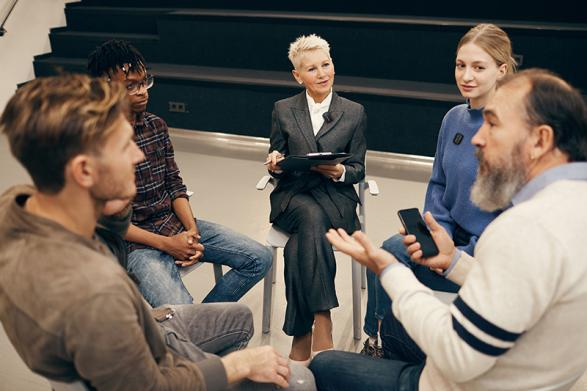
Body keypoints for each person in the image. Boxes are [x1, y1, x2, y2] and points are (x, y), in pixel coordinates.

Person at [0, 74, 316, 390]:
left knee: (238, 316)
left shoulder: (16, 205)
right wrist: (235, 366)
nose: (137, 156)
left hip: (144, 328)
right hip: (149, 362)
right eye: (124, 147)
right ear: (84, 171)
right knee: (300, 381)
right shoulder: (96, 295)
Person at [312, 68, 587, 390]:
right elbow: (522, 288)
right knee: (398, 324)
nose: (477, 138)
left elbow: (458, 357)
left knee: (324, 366)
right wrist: (453, 261)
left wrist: (389, 270)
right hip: (539, 372)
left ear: (540, 140)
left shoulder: (523, 228)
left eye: (493, 123)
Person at [362, 23, 517, 357]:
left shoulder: (512, 131)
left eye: (479, 67)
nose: (467, 75)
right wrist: (435, 236)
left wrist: (459, 255)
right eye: (461, 65)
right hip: (447, 237)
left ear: (501, 70)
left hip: (480, 255)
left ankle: (397, 345)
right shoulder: (453, 118)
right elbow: (439, 184)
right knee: (387, 251)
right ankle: (376, 339)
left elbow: (511, 217)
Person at [87, 39, 272, 307]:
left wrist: (191, 231)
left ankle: (203, 328)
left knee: (259, 258)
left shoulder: (155, 125)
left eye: (145, 82)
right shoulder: (91, 141)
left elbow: (174, 185)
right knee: (181, 309)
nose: (142, 92)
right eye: (131, 86)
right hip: (135, 245)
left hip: (173, 223)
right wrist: (168, 244)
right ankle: (194, 332)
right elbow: (110, 223)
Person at [265, 34, 367, 363]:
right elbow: (276, 154)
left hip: (333, 199)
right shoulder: (283, 109)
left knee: (305, 234)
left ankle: (301, 332)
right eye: (312, 68)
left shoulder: (354, 112)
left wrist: (339, 171)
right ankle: (323, 318)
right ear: (298, 75)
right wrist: (276, 163)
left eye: (326, 65)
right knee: (308, 217)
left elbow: (358, 168)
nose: (322, 73)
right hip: (292, 198)